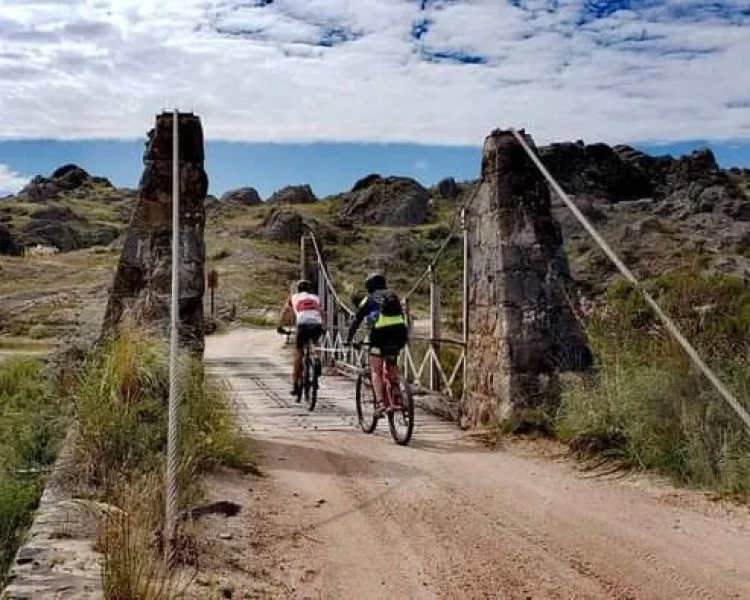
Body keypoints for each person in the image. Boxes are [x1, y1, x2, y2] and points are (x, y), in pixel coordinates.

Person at [346, 273, 408, 416]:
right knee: (391, 362)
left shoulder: (369, 299)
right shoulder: (394, 296)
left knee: (376, 370)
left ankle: (380, 404)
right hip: (399, 333)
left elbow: (356, 321)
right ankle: (398, 392)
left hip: (380, 334)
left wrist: (349, 339)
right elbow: (402, 317)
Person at [278, 279, 325, 397]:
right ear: (310, 290)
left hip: (303, 325)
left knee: (299, 352)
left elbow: (285, 312)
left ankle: (294, 384)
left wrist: (280, 325)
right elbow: (322, 312)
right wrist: (324, 326)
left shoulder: (293, 297)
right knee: (315, 342)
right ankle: (317, 360)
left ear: (298, 289)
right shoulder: (316, 298)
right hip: (316, 324)